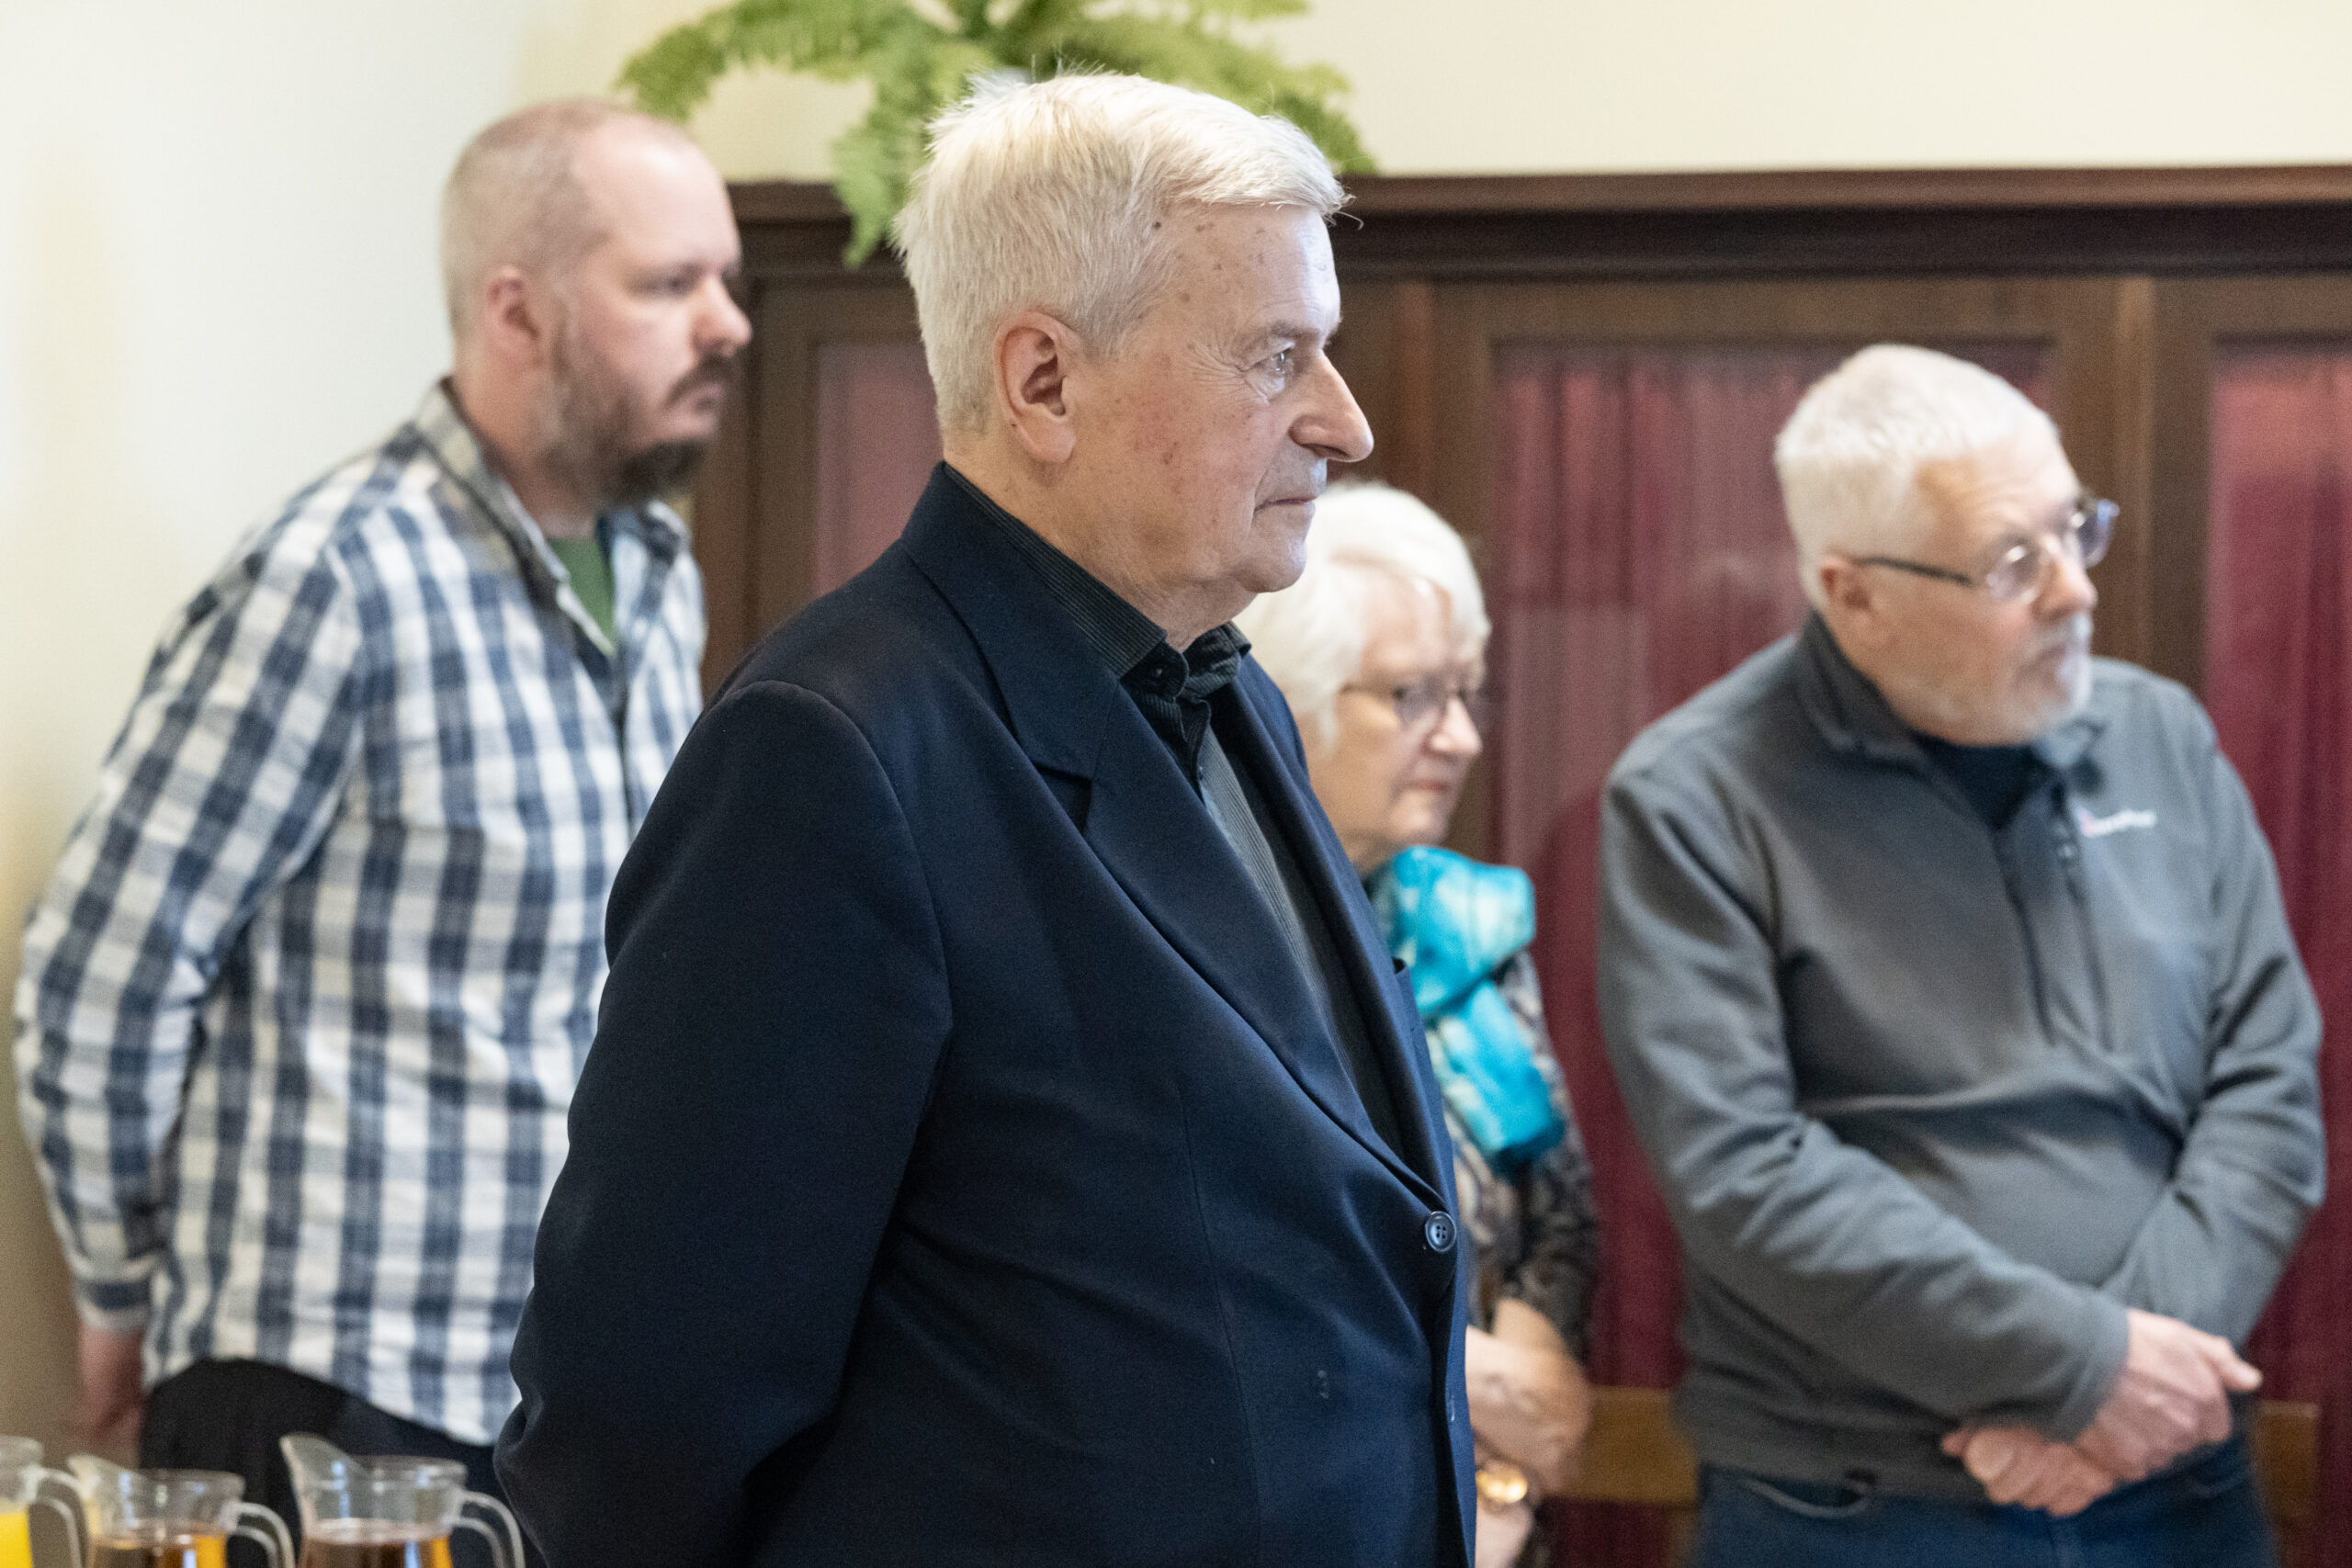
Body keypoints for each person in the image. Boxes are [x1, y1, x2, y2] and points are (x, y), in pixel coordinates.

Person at [495, 73, 1477, 1567]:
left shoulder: (1244, 699)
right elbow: (640, 1404)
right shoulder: (833, 750)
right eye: (1276, 355)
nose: (1341, 421)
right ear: (1044, 384)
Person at [13, 97, 747, 1530]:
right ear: (517, 311)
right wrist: (121, 1294)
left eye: (723, 279)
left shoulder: (659, 571)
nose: (727, 322)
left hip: (549, 1399)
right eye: (670, 284)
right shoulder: (332, 580)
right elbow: (102, 973)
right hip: (325, 1404)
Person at [1598, 344, 2324, 1566]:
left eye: (2074, 530)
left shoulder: (2159, 737)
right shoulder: (1694, 798)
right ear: (1854, 594)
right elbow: (1744, 1172)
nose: (2074, 592)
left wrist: (2120, 1384)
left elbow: (2268, 1084)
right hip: (1858, 1502)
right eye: (2009, 564)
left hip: (2178, 1478)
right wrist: (2079, 1365)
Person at [1238, 483, 1598, 1568]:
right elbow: (1243, 1257)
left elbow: (1555, 1221)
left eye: (1468, 694)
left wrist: (1501, 1473)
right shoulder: (1201, 939)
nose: (1461, 737)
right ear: (1285, 697)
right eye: (1412, 696)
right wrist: (1467, 1376)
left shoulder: (1471, 928)